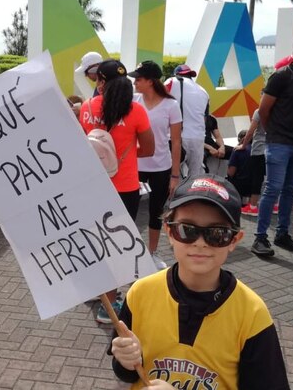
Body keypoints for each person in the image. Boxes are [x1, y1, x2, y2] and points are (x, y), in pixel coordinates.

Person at [108, 174, 288, 389]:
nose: (200, 243)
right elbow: (127, 374)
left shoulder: (251, 313)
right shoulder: (141, 293)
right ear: (169, 231)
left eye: (217, 233)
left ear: (234, 240)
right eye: (187, 230)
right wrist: (125, 361)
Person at [79, 59, 154, 323]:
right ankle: (108, 304)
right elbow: (149, 149)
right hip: (125, 187)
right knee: (116, 246)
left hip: (92, 185)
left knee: (94, 239)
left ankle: (97, 291)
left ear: (100, 82)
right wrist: (124, 155)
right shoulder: (136, 111)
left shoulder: (87, 108)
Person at [252, 37, 293, 257]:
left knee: (290, 189)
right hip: (279, 142)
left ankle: (282, 233)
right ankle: (260, 237)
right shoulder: (280, 77)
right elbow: (263, 109)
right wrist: (272, 133)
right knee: (273, 188)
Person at [129, 60, 183, 271]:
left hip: (161, 167)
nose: (135, 82)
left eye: (138, 79)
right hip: (135, 166)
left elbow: (176, 141)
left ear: (150, 81)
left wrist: (175, 176)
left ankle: (151, 253)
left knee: (156, 213)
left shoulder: (171, 105)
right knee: (129, 212)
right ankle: (130, 254)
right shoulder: (133, 102)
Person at [165, 64, 209, 177]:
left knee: (175, 176)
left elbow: (158, 101)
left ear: (176, 74)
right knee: (195, 176)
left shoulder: (171, 82)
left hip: (177, 137)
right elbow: (204, 118)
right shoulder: (203, 91)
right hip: (198, 138)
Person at [235, 108, 268, 216]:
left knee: (257, 179)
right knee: (271, 179)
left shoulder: (260, 111)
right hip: (273, 147)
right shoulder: (279, 109)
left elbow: (250, 131)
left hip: (259, 149)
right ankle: (275, 205)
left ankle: (253, 206)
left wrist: (243, 145)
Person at [227, 130, 251, 204]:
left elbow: (231, 173)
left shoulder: (237, 151)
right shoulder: (258, 151)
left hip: (240, 186)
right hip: (254, 186)